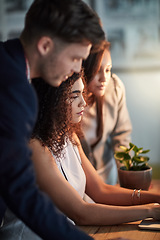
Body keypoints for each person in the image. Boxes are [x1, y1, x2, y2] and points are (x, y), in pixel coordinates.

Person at [0, 0, 106, 239]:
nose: (78, 68)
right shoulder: (17, 91)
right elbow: (20, 190)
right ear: (46, 45)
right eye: (75, 58)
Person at [27, 73, 160, 229]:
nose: (83, 103)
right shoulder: (35, 146)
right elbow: (81, 212)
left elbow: (101, 191)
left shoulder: (70, 135)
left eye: (82, 94)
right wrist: (150, 210)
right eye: (74, 96)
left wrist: (156, 198)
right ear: (51, 100)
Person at [81, 42, 132, 185]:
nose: (104, 78)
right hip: (80, 178)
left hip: (106, 171)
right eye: (97, 70)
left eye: (108, 70)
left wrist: (128, 177)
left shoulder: (115, 88)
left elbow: (121, 136)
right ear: (83, 69)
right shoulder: (69, 99)